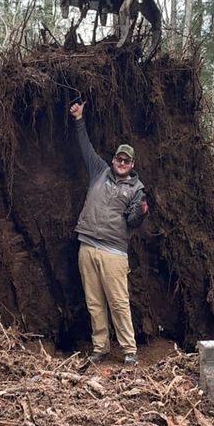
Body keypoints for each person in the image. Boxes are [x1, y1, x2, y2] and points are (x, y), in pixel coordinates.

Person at [68, 100, 148, 366]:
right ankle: (100, 347)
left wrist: (142, 212)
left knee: (118, 302)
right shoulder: (99, 172)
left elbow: (134, 222)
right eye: (118, 158)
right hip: (88, 245)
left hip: (114, 251)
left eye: (126, 160)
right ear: (113, 159)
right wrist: (79, 118)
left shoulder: (137, 189)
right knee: (94, 301)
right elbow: (84, 146)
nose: (121, 162)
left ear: (132, 163)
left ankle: (129, 350)